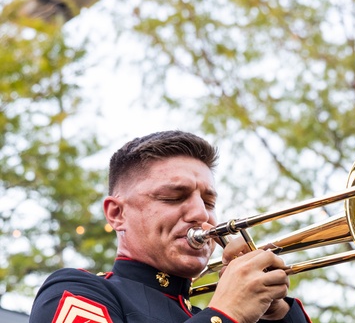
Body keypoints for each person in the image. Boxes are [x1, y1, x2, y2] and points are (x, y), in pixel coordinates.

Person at [30, 130, 311, 323]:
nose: (201, 213)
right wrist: (226, 312)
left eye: (209, 202)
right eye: (173, 197)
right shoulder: (76, 292)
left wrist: (276, 315)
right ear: (117, 214)